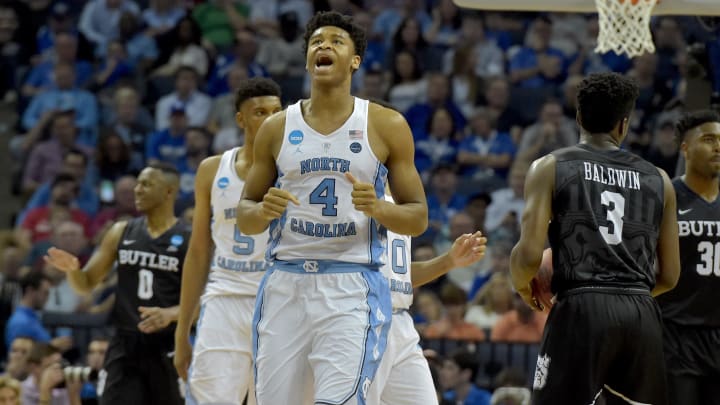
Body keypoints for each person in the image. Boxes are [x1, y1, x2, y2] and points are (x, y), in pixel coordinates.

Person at [237, 11, 428, 405]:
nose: (323, 46)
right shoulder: (276, 127)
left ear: (355, 60)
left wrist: (378, 209)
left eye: (336, 42)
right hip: (284, 285)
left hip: (351, 286)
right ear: (308, 58)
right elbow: (245, 215)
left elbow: (418, 217)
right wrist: (262, 211)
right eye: (316, 42)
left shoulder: (385, 124)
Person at [509, 72, 680, 405]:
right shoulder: (660, 179)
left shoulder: (551, 166)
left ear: (578, 117)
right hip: (641, 313)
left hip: (581, 307)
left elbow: (529, 255)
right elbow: (670, 276)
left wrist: (523, 286)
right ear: (623, 125)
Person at [173, 77, 282, 404]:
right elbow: (198, 253)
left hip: (278, 300)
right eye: (259, 112)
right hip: (223, 298)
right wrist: (182, 331)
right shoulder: (211, 169)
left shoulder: (293, 170)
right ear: (240, 119)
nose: (270, 119)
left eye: (276, 111)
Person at [43, 163, 191, 405]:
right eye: (138, 183)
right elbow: (87, 283)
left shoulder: (189, 238)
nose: (137, 190)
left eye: (146, 184)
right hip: (125, 343)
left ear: (169, 191)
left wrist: (171, 313)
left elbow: (205, 300)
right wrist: (73, 270)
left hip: (167, 344)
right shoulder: (121, 231)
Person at [367, 193, 486, 405]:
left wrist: (449, 261)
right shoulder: (361, 191)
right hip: (364, 316)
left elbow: (400, 274)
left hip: (400, 322)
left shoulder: (405, 201)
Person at [656, 110, 720, 405]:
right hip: (676, 333)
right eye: (708, 140)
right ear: (685, 147)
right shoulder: (664, 195)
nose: (718, 147)